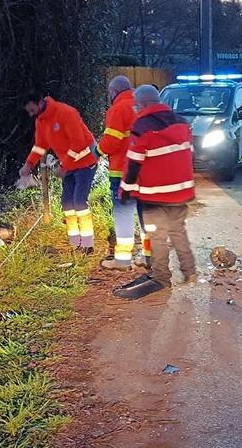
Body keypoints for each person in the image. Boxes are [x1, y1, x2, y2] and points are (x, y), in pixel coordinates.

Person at [113, 85, 197, 299]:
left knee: (157, 236)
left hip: (155, 194)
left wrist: (125, 190)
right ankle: (189, 272)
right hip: (181, 192)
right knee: (178, 231)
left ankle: (161, 277)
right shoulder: (182, 122)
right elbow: (189, 156)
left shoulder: (142, 126)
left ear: (140, 104)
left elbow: (133, 163)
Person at [19, 90, 98, 254]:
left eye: (31, 109)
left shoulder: (66, 113)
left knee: (79, 202)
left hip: (85, 161)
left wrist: (64, 166)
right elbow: (40, 145)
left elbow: (79, 143)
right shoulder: (41, 121)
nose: (30, 114)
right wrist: (29, 164)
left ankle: (87, 244)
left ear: (40, 102)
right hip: (68, 164)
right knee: (67, 204)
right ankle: (75, 242)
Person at [97, 75, 151, 270]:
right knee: (146, 215)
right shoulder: (143, 106)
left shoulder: (118, 109)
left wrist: (97, 152)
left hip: (122, 172)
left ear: (113, 92)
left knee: (123, 215)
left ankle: (122, 259)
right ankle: (148, 256)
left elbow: (111, 142)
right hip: (146, 172)